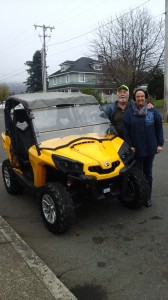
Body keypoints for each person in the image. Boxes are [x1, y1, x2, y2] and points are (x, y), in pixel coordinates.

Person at [123, 88, 164, 208]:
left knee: (148, 174)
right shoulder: (129, 113)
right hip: (136, 149)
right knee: (137, 175)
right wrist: (130, 145)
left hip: (150, 148)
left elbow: (159, 127)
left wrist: (160, 144)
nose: (140, 98)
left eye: (142, 96)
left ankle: (147, 198)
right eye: (137, 96)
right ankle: (137, 195)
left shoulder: (153, 111)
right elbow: (126, 132)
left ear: (145, 97)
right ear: (134, 98)